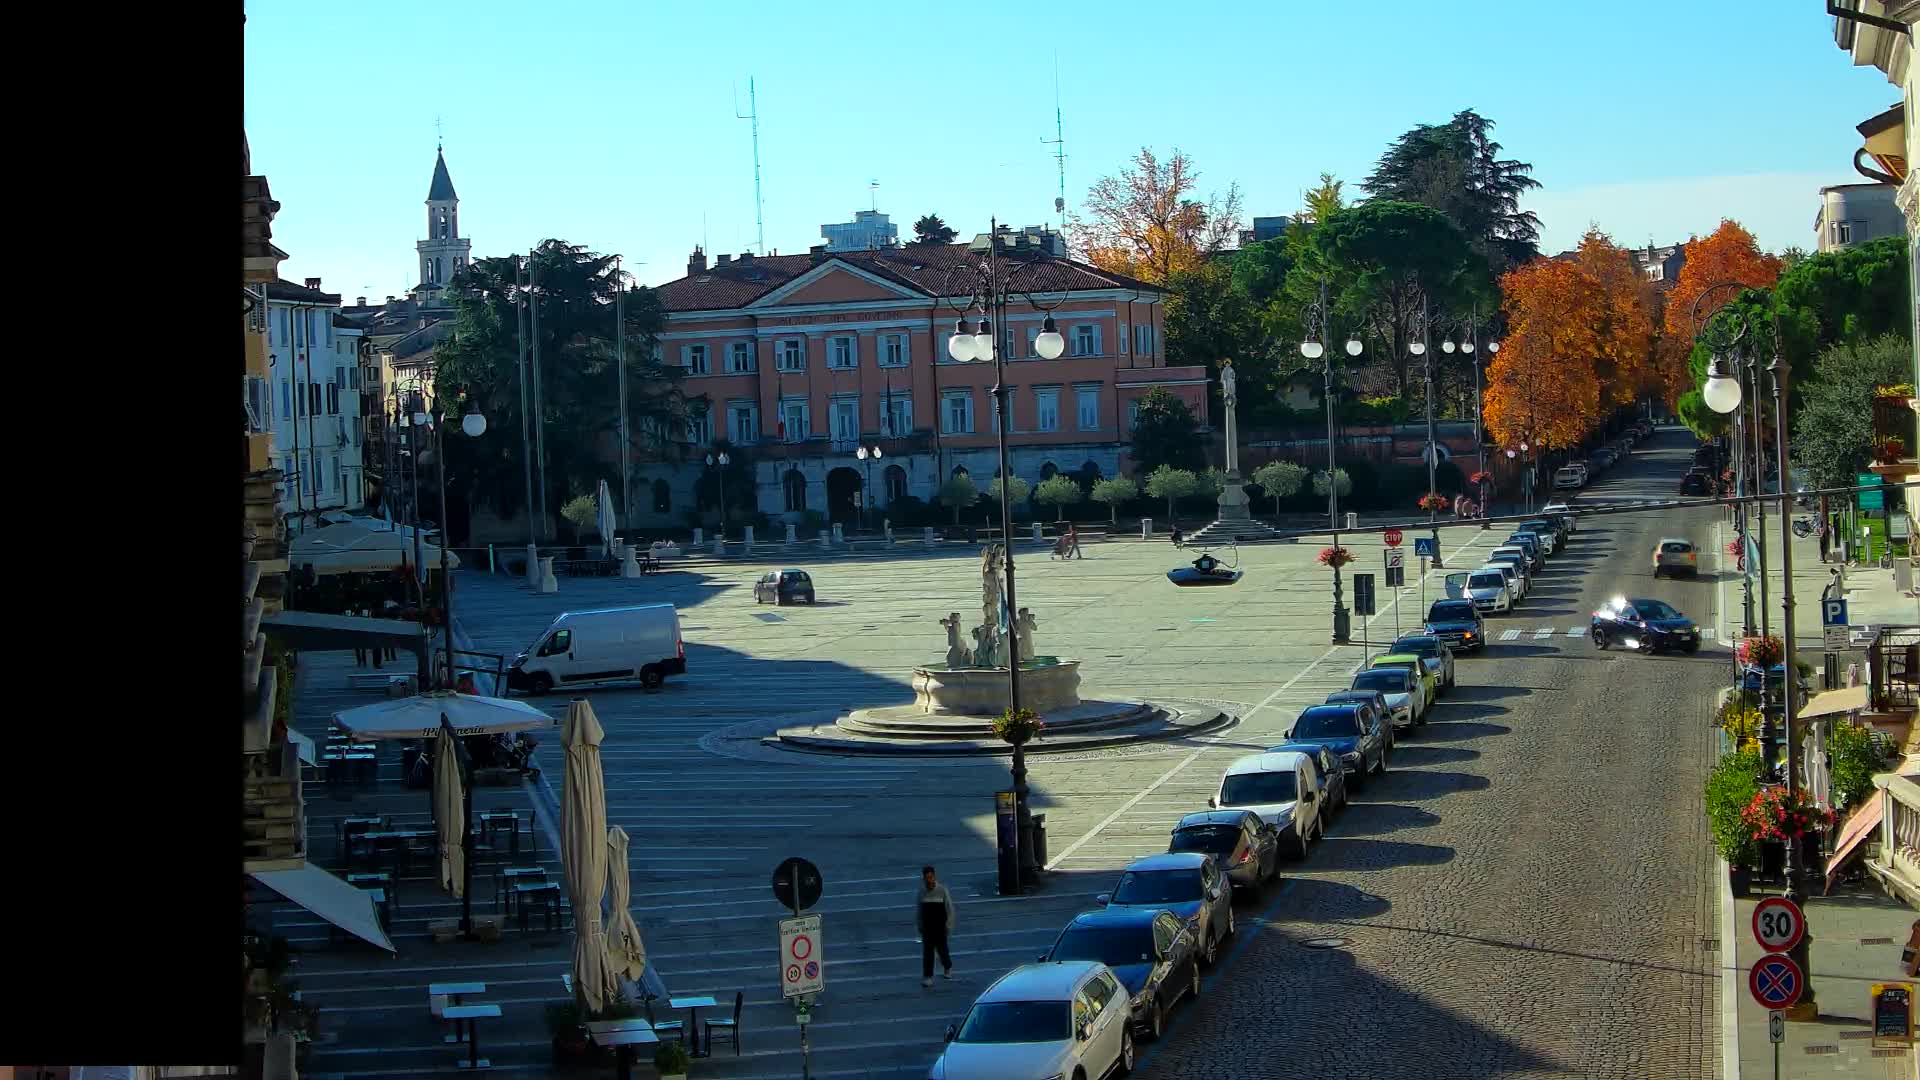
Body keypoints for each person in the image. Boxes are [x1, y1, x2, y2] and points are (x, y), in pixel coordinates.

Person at [915, 865, 955, 987]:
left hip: (940, 927)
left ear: (934, 876)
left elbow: (949, 909)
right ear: (923, 879)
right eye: (926, 878)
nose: (929, 880)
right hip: (927, 928)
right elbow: (919, 910)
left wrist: (949, 925)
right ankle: (928, 977)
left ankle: (947, 966)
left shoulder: (942, 890)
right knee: (928, 952)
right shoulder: (921, 892)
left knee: (943, 950)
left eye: (931, 877)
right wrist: (920, 925)